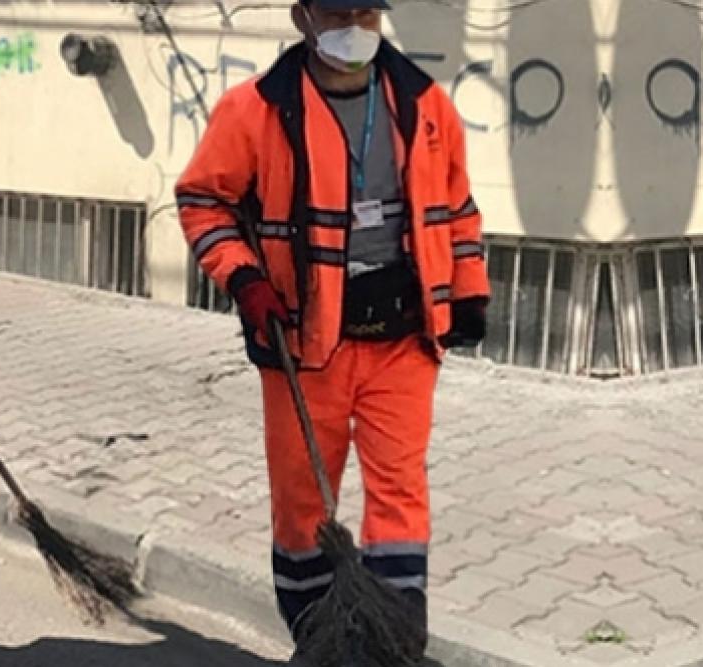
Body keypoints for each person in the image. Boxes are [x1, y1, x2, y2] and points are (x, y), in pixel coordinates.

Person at [176, 0, 491, 660]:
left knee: (400, 498)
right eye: (338, 10)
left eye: (365, 11)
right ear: (303, 18)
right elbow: (204, 203)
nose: (354, 25)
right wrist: (244, 279)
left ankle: (393, 643)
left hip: (403, 342)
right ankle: (318, 639)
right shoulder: (255, 110)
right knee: (302, 506)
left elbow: (457, 208)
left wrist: (468, 293)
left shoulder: (425, 105)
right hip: (304, 345)